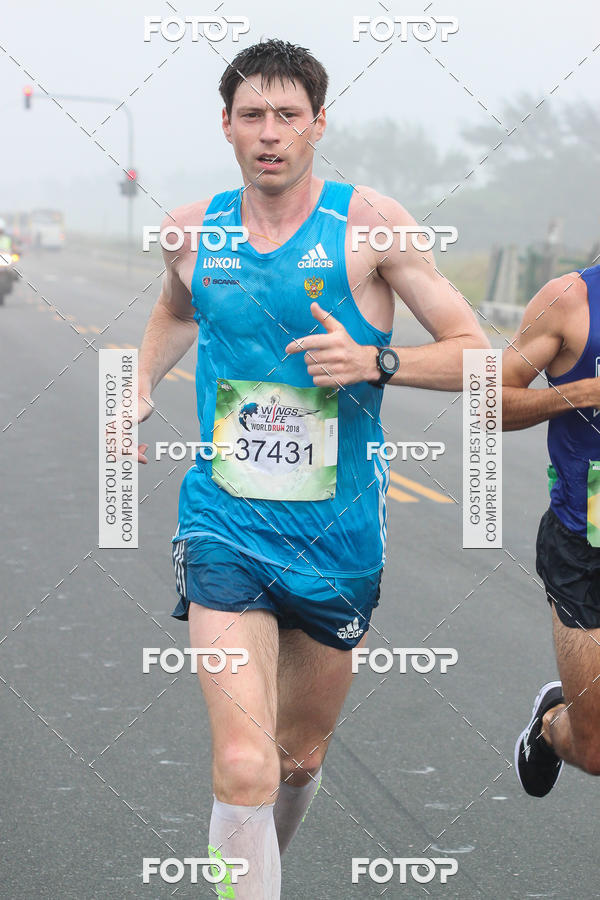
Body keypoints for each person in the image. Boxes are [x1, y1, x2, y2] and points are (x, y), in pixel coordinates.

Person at [137, 38, 488, 899]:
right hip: (224, 521)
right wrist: (135, 386)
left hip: (338, 538)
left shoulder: (373, 227)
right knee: (246, 761)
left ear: (318, 124)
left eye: (288, 116)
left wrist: (377, 362)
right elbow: (172, 313)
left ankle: (262, 865)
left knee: (296, 758)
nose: (269, 133)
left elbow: (478, 354)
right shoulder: (189, 231)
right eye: (251, 115)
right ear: (225, 126)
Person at [504, 264, 600, 797]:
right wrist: (582, 392)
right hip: (584, 544)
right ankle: (552, 725)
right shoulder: (570, 299)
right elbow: (488, 400)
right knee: (594, 749)